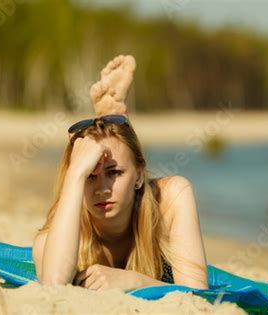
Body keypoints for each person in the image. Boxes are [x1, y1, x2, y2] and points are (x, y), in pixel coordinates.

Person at [32, 55, 209, 291]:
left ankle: (111, 120)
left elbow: (197, 295)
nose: (102, 188)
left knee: (119, 147)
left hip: (142, 191)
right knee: (115, 151)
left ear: (138, 176)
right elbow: (54, 285)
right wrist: (75, 173)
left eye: (113, 173)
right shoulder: (55, 237)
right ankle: (109, 124)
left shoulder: (169, 200)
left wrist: (135, 281)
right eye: (89, 176)